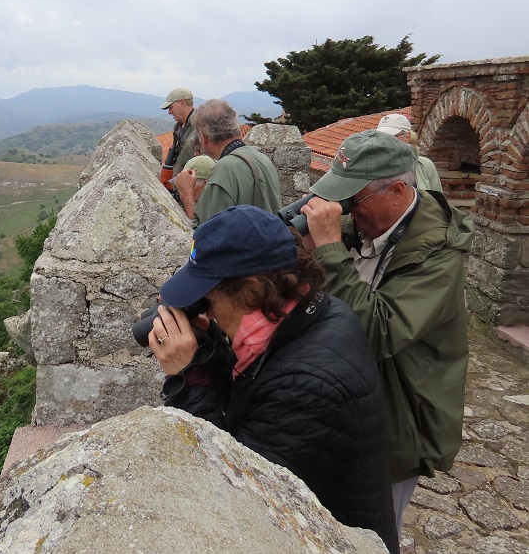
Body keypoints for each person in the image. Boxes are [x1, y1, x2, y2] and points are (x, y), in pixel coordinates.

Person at [147, 205, 399, 554]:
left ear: (251, 293)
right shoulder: (311, 315)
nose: (205, 308)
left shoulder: (309, 383)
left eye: (208, 298)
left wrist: (187, 377)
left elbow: (239, 492)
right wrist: (215, 350)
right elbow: (252, 396)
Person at [299, 129, 475, 535]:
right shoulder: (374, 228)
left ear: (397, 190)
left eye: (353, 199)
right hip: (358, 402)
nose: (346, 210)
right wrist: (306, 253)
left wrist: (328, 250)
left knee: (373, 531)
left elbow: (378, 330)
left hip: (398, 422)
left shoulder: (439, 254)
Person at [172, 99, 282, 226]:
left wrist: (186, 194)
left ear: (203, 136)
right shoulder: (262, 159)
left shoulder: (225, 169)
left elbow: (206, 233)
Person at [376, 113, 443, 192]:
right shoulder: (372, 165)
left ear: (407, 137)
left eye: (391, 136)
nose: (384, 141)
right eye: (381, 136)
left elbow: (437, 200)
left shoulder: (425, 165)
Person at [159, 88, 197, 194]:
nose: (169, 112)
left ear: (182, 103)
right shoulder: (178, 128)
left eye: (171, 107)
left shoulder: (199, 126)